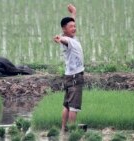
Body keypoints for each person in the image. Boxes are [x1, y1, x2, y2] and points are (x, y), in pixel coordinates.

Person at [53, 4, 84, 132]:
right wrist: (60, 39)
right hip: (76, 77)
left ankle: (63, 129)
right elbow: (64, 39)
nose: (74, 28)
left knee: (66, 104)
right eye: (71, 27)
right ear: (64, 30)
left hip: (69, 76)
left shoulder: (72, 37)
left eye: (74, 26)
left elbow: (68, 31)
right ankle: (71, 130)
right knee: (74, 107)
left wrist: (74, 14)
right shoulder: (68, 40)